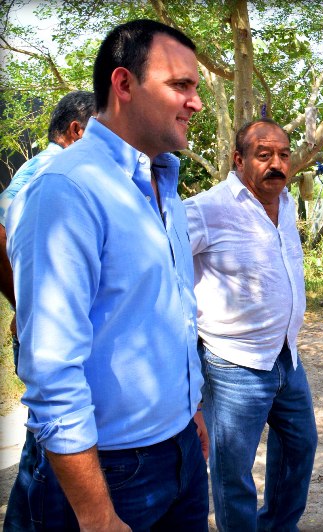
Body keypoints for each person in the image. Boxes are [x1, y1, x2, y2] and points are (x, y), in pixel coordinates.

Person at [4, 19, 206, 531]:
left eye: (196, 88)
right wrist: (96, 515)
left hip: (180, 452)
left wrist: (190, 406)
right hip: (111, 473)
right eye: (180, 85)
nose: (196, 103)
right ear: (123, 85)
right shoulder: (68, 190)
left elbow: (164, 312)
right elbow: (51, 370)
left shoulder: (164, 184)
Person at [184, 118, 318, 531]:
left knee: (301, 447)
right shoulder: (205, 210)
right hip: (232, 364)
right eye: (264, 155)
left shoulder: (288, 202)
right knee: (233, 473)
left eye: (282, 154)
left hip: (287, 358)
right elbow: (164, 274)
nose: (277, 164)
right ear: (238, 159)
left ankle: (278, 525)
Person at [0, 90, 96, 363]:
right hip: (49, 337)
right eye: (100, 132)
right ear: (76, 130)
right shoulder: (48, 167)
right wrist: (24, 307)